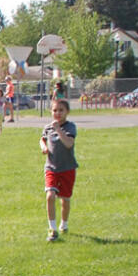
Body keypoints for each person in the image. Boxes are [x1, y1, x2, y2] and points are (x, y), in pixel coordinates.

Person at [40, 99, 78, 242]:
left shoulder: (70, 127)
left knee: (65, 200)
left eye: (61, 110)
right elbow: (42, 139)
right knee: (50, 195)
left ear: (67, 112)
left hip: (67, 168)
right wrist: (43, 147)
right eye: (55, 110)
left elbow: (68, 144)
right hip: (51, 167)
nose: (57, 113)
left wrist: (58, 129)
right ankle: (52, 229)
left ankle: (64, 224)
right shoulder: (48, 127)